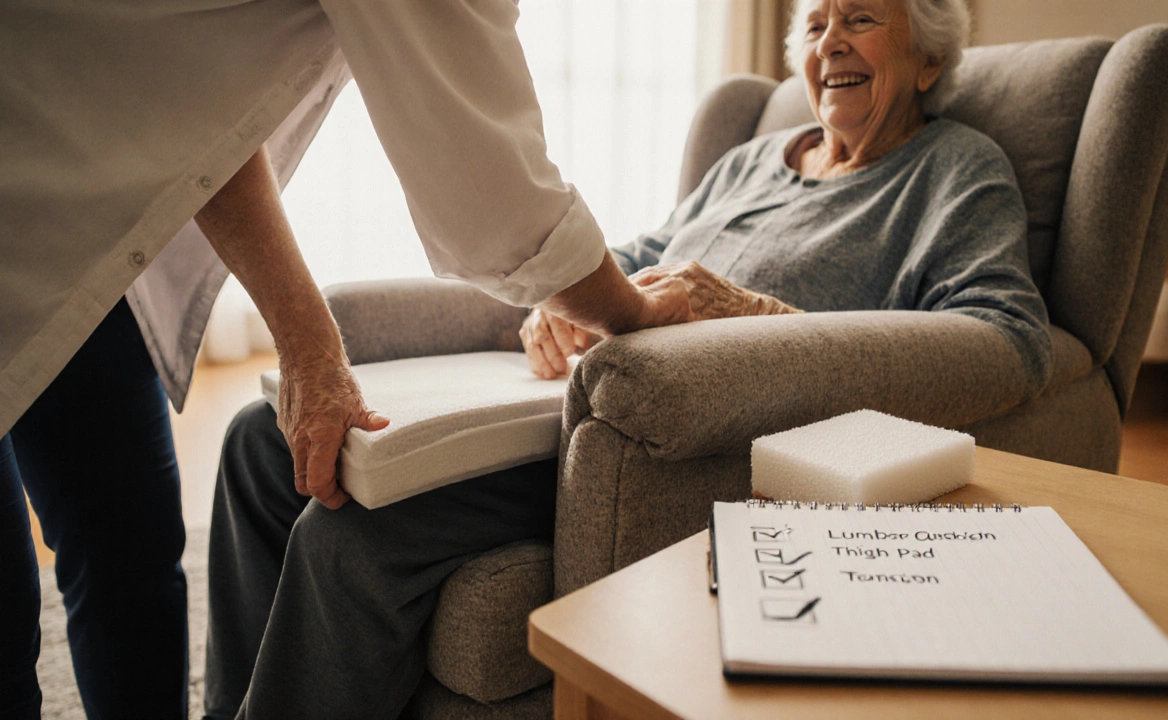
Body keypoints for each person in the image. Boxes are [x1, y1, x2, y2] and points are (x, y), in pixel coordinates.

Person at [205, 0, 1052, 717]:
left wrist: (749, 313)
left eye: (861, 18)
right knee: (256, 441)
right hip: (573, 402)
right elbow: (641, 253)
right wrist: (554, 301)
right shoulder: (753, 160)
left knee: (350, 534)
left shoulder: (954, 170)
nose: (828, 40)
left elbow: (1008, 339)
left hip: (681, 445)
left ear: (931, 58)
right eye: (815, 21)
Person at [0, 2, 691, 717]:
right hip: (33, 139)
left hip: (73, 192)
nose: (824, 42)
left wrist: (308, 340)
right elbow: (495, 204)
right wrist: (624, 308)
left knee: (125, 545)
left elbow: (191, 115)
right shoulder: (742, 163)